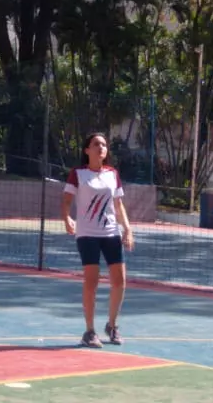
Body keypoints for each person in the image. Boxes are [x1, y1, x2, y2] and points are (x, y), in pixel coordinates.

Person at [62, 133, 134, 348]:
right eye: (96, 144)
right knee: (91, 282)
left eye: (103, 145)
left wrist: (127, 229)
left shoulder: (112, 174)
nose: (101, 147)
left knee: (119, 281)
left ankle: (112, 325)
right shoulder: (78, 173)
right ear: (87, 150)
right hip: (87, 234)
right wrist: (67, 218)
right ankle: (89, 331)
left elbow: (118, 205)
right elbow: (66, 201)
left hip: (111, 232)